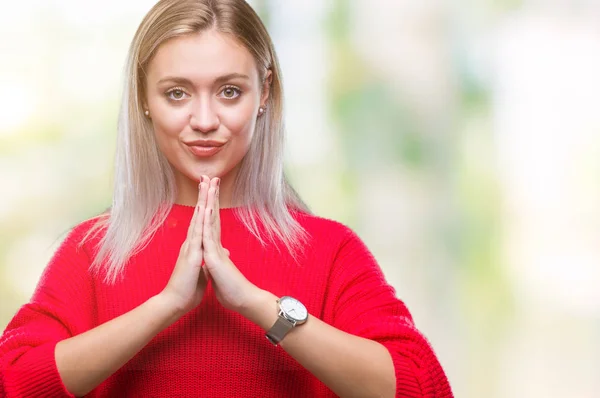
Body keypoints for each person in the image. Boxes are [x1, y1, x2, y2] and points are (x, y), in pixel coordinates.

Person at [0, 0, 453, 397]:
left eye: (229, 92)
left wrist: (257, 304)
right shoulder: (92, 253)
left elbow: (422, 385)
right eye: (176, 94)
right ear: (143, 98)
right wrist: (165, 305)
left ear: (265, 93)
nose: (203, 119)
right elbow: (13, 381)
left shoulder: (330, 251)